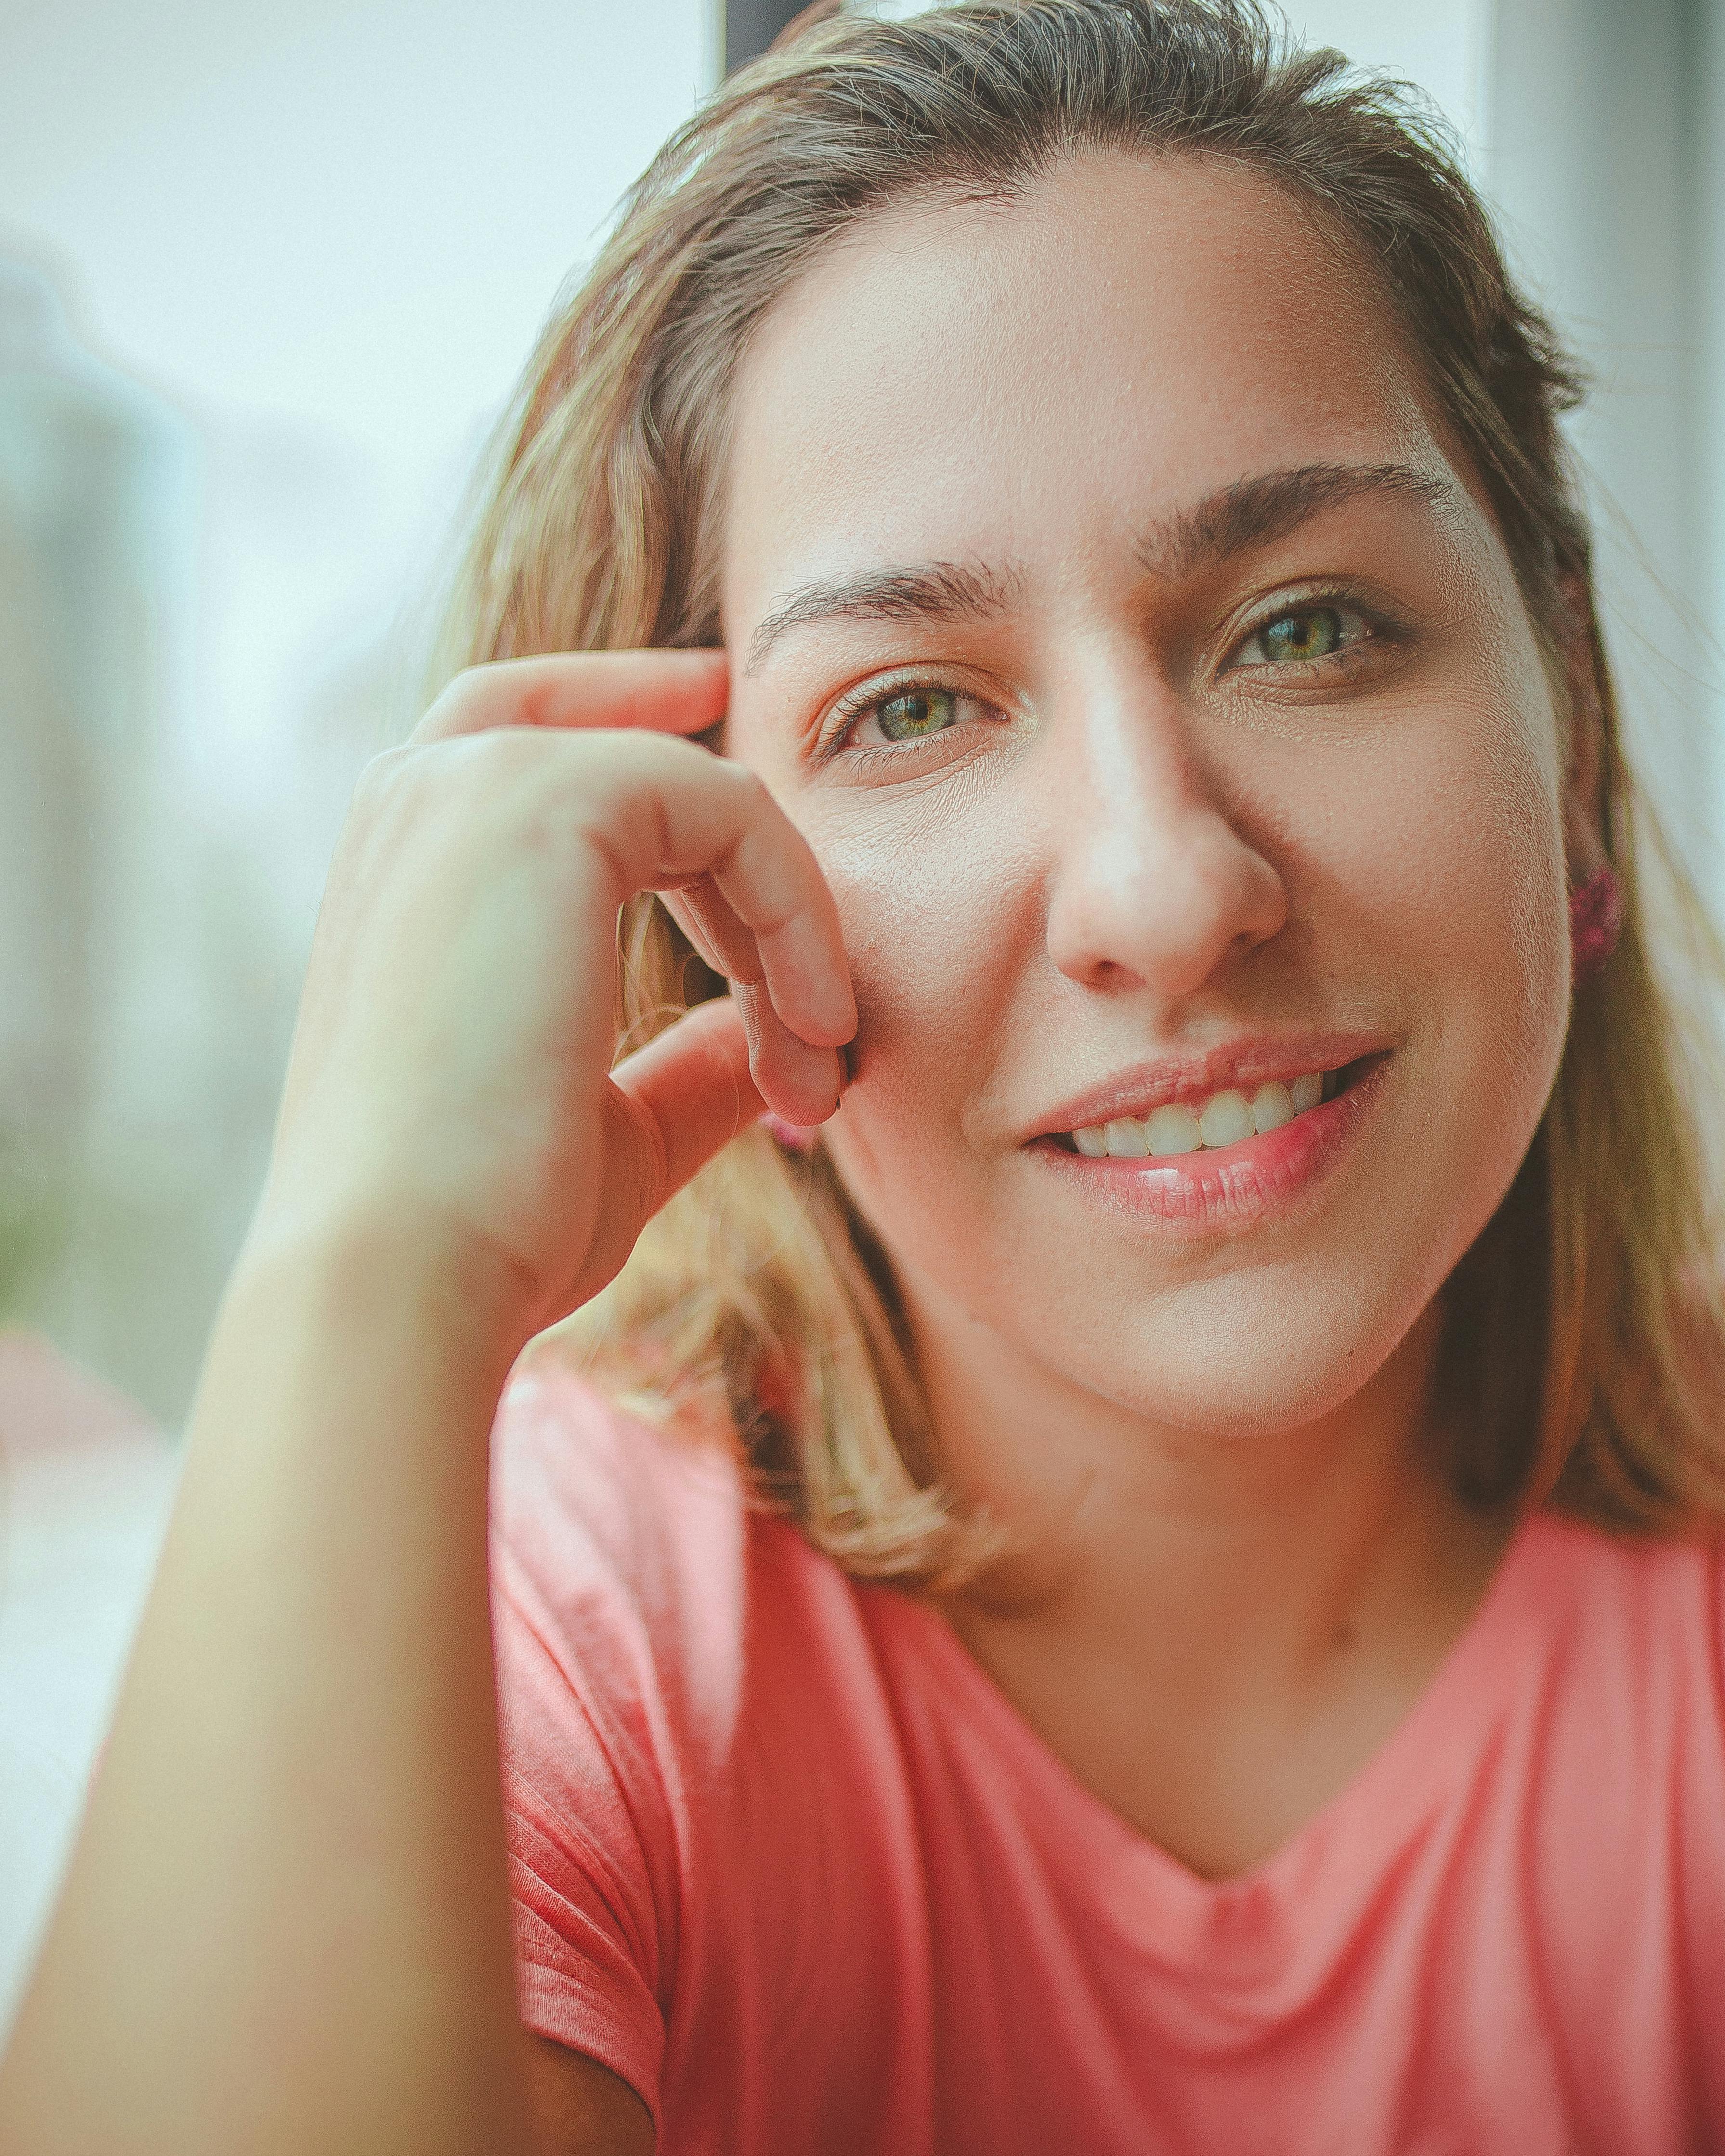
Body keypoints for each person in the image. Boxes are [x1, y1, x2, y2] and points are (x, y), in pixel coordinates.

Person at [4, 1, 1724, 2149]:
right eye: (908, 709)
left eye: (1301, 627)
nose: (1163, 884)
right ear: (688, 887)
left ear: (1561, 705)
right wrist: (371, 1261)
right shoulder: (564, 1648)